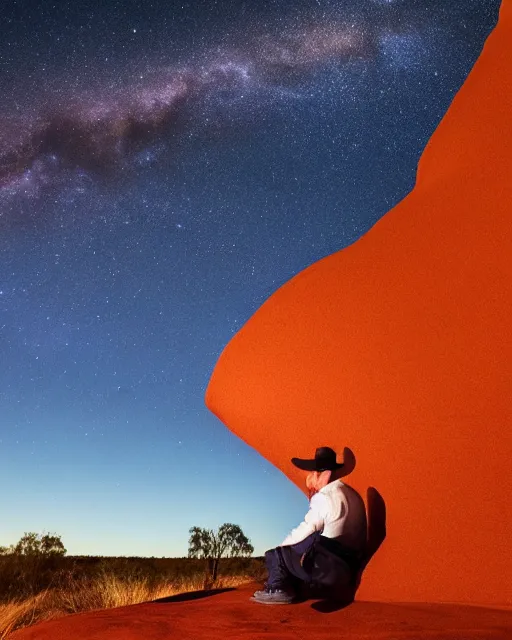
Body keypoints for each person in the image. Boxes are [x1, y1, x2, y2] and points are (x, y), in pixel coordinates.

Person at [251, 446, 367, 605]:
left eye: (313, 474)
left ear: (325, 476)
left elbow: (305, 530)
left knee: (276, 555)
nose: (310, 478)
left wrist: (280, 553)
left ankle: (277, 589)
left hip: (327, 570)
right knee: (315, 542)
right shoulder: (353, 496)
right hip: (350, 569)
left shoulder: (325, 496)